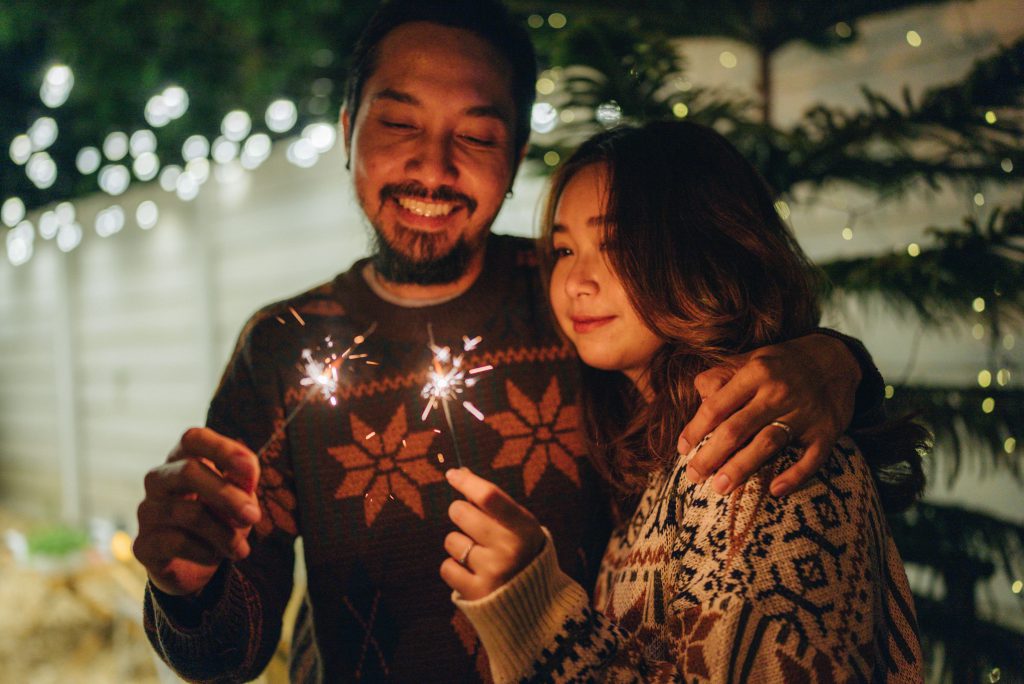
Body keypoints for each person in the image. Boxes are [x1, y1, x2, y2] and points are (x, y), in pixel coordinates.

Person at [133, 1, 886, 681]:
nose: (433, 167)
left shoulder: (576, 303)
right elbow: (226, 654)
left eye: (476, 134)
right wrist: (188, 588)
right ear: (346, 130)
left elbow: (713, 337)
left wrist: (834, 362)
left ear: (517, 149)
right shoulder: (281, 349)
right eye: (399, 124)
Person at [442, 120, 926, 682]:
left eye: (617, 244)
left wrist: (537, 617)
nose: (576, 280)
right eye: (565, 248)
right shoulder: (662, 462)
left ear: (706, 247)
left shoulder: (755, 457)